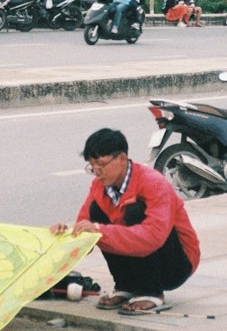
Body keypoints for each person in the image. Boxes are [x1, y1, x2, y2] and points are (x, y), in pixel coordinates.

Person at [50, 127, 200, 315]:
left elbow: (154, 236)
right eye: (92, 166)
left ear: (121, 159)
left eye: (101, 164)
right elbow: (86, 233)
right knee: (96, 211)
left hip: (175, 265)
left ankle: (151, 292)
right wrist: (66, 233)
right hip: (138, 259)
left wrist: (99, 231)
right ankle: (126, 286)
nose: (97, 172)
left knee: (134, 211)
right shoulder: (98, 187)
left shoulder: (153, 183)